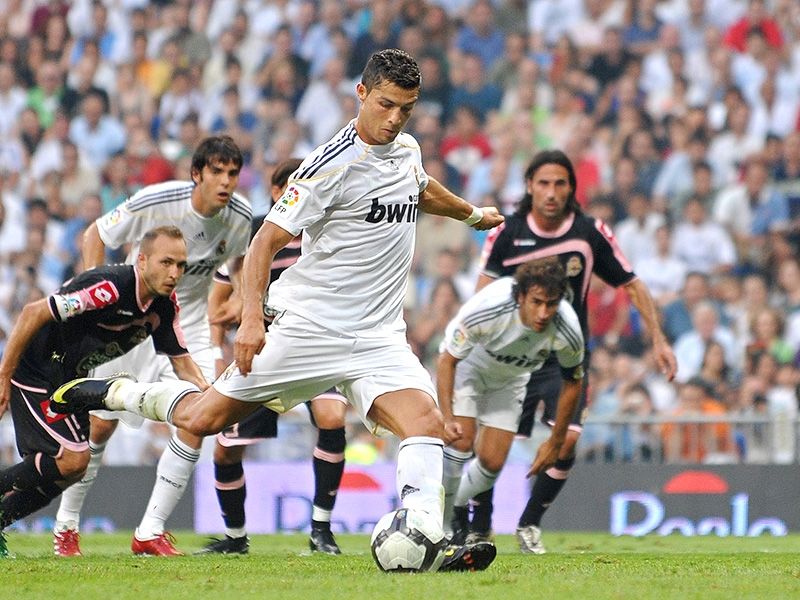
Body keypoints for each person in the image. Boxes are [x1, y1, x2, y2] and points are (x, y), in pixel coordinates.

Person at [51, 49, 504, 571]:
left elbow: (421, 189)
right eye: (386, 105)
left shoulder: (405, 150)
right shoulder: (327, 167)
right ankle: (117, 391)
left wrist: (471, 215)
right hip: (309, 329)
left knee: (424, 423)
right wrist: (249, 319)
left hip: (380, 336)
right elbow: (264, 242)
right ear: (361, 94)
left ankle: (428, 536)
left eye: (406, 108)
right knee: (202, 418)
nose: (395, 118)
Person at [52, 136, 251, 556]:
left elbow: (240, 263)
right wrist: (96, 293)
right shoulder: (157, 200)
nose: (226, 182)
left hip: (187, 326)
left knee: (199, 418)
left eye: (232, 173)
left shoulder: (239, 217)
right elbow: (95, 233)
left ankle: (150, 532)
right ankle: (66, 528)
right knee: (101, 425)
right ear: (197, 174)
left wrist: (239, 297)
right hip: (131, 321)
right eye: (217, 171)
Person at [469, 149, 677, 553]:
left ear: (571, 188)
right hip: (512, 359)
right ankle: (479, 527)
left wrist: (658, 339)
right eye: (543, 183)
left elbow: (631, 283)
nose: (551, 192)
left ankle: (529, 524)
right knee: (492, 452)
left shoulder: (588, 232)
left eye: (559, 183)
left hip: (567, 359)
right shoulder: (507, 232)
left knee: (566, 443)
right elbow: (483, 293)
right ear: (529, 185)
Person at [0, 227, 204, 557]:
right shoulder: (109, 289)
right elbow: (32, 312)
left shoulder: (164, 307)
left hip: (69, 377)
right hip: (35, 368)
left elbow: (182, 362)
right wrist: (3, 376)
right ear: (142, 260)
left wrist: (214, 398)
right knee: (71, 459)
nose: (174, 273)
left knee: (73, 468)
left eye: (181, 265)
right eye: (166, 262)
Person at [196, 158, 348, 556]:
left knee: (332, 417)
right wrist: (217, 352)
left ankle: (321, 529)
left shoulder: (329, 230)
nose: (294, 193)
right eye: (286, 186)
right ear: (276, 192)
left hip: (317, 345)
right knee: (226, 447)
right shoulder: (255, 234)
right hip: (264, 351)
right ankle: (235, 539)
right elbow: (218, 306)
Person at [440, 257, 584, 546]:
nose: (544, 312)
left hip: (511, 379)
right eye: (537, 302)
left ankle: (453, 505)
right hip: (469, 367)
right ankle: (444, 528)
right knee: (461, 442)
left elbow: (573, 381)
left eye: (552, 303)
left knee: (492, 463)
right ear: (520, 297)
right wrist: (446, 417)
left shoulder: (567, 328)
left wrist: (555, 442)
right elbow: (447, 360)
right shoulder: (489, 309)